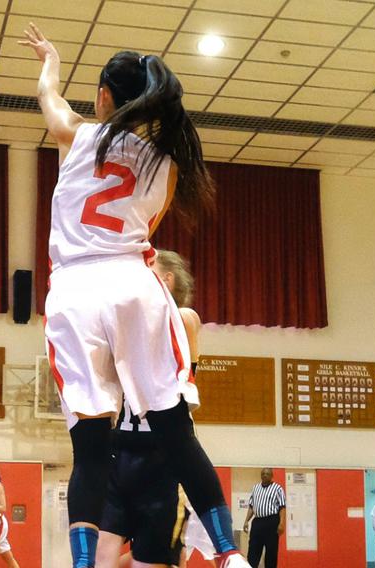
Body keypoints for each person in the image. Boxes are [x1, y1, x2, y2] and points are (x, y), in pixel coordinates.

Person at [20, 23, 245, 568]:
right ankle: (230, 555)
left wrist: (50, 60)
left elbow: (47, 97)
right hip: (131, 281)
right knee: (176, 432)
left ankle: (79, 563)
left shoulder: (75, 133)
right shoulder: (167, 164)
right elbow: (143, 225)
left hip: (74, 289)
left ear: (103, 97)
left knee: (89, 451)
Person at [95, 250, 206, 568]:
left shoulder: (184, 318)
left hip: (160, 458)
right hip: (122, 454)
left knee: (154, 559)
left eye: (147, 269)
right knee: (102, 554)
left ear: (165, 280)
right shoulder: (130, 330)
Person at [242, 469, 286, 568]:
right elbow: (251, 506)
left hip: (272, 522)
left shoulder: (278, 488)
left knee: (271, 552)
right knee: (253, 550)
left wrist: (282, 523)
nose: (265, 475)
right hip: (257, 522)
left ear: (272, 476)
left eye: (267, 474)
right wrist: (246, 521)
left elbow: (282, 507)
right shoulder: (256, 488)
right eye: (263, 474)